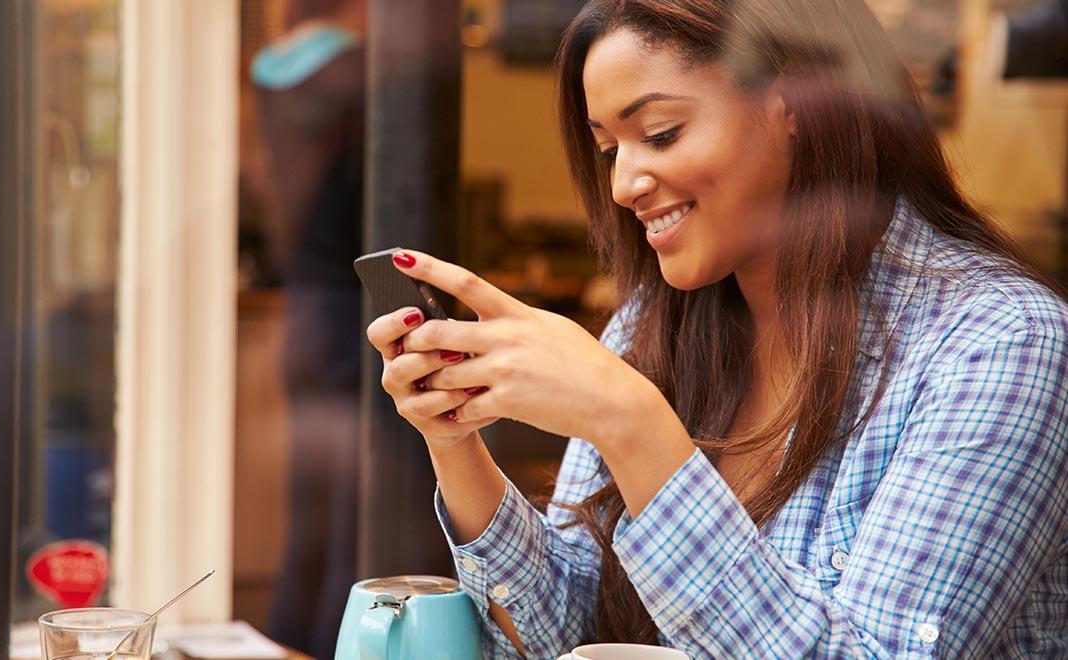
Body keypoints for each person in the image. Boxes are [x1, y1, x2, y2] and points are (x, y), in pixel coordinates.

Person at [365, 0, 1068, 657]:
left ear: (793, 101)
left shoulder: (1002, 343)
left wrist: (633, 423)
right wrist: (454, 438)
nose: (623, 184)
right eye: (611, 150)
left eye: (660, 133)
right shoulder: (652, 324)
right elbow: (566, 633)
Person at [251, 0, 365, 656]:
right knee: (355, 512)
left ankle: (289, 641)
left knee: (312, 509)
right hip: (350, 309)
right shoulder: (356, 72)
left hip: (305, 306)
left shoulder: (270, 75)